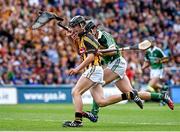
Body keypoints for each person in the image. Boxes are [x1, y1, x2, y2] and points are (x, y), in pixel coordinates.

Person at [82, 21, 174, 123]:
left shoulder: (104, 35)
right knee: (131, 93)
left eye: (88, 33)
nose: (88, 36)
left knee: (95, 81)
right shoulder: (92, 39)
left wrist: (100, 53)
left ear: (94, 29)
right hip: (112, 65)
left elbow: (113, 51)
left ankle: (94, 114)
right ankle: (162, 96)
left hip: (117, 63)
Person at [62, 16, 143, 127]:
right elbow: (80, 53)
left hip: (93, 68)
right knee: (101, 102)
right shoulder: (82, 38)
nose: (72, 28)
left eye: (74, 26)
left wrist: (77, 69)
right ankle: (129, 95)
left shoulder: (87, 37)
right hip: (95, 70)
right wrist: (70, 39)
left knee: (76, 92)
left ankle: (77, 121)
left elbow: (90, 57)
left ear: (81, 26)